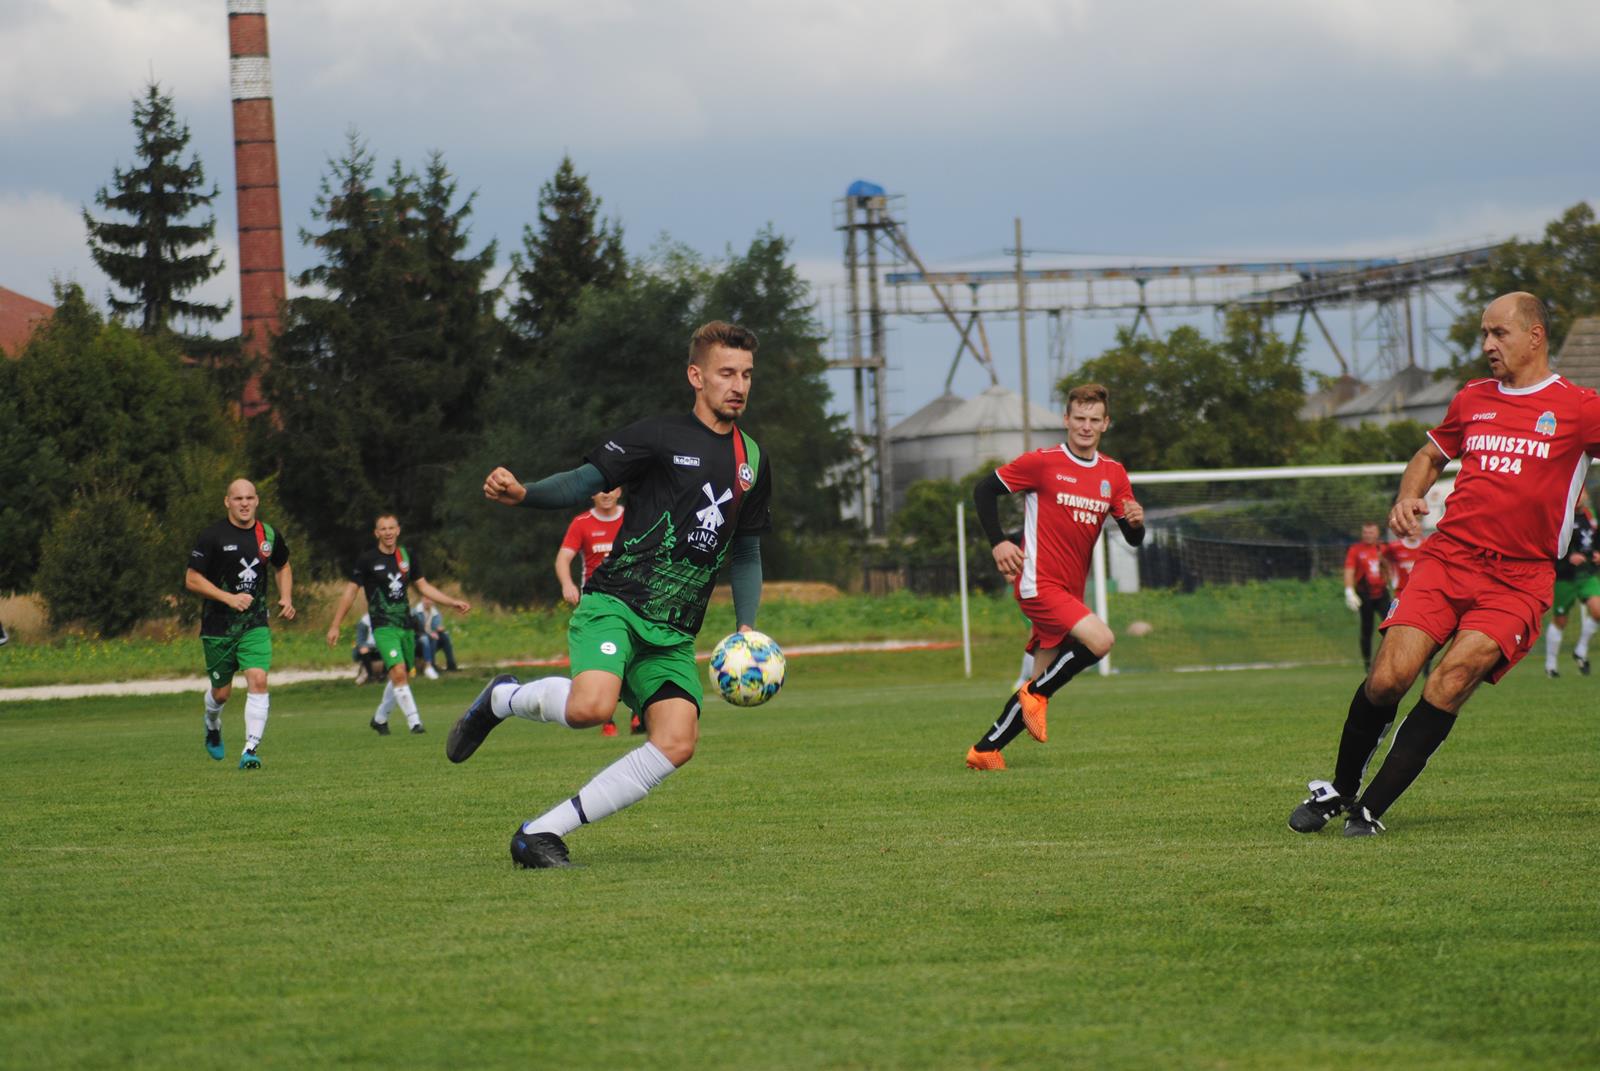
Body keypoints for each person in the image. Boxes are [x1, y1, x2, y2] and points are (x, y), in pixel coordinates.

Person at [445, 320, 773, 869]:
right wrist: (525, 494)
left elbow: (746, 550)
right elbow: (583, 480)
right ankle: (502, 699)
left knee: (677, 741)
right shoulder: (658, 436)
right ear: (697, 376)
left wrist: (746, 626)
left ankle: (540, 833)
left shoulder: (754, 461)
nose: (737, 384)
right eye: (725, 373)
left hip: (672, 633)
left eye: (746, 374)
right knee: (590, 707)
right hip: (617, 604)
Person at [1289, 292, 1600, 838]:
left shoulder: (1579, 408)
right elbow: (1431, 455)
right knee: (1388, 679)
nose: (1487, 345)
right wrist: (1408, 497)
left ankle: (1369, 811)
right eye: (1483, 334)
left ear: (1535, 336)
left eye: (1498, 334)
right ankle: (1339, 788)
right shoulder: (1473, 398)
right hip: (1448, 560)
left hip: (1520, 579)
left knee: (1451, 680)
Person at [964, 382, 1145, 770]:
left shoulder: (1113, 474)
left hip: (1069, 590)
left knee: (1040, 681)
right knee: (1101, 639)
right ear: (1066, 419)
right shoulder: (1043, 462)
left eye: (1094, 419)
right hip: (1036, 582)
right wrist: (999, 542)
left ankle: (985, 750)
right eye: (1079, 418)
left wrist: (1135, 524)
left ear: (1105, 424)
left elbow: (1133, 538)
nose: (1085, 425)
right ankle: (1034, 696)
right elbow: (983, 490)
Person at [183, 478, 295, 769]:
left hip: (255, 623)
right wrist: (228, 598)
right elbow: (192, 579)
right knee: (221, 693)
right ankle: (212, 723)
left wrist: (286, 597)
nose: (244, 503)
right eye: (238, 499)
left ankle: (250, 749)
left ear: (257, 500)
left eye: (249, 498)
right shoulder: (213, 536)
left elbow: (282, 565)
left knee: (258, 678)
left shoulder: (268, 535)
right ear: (227, 502)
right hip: (218, 626)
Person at [325, 514, 471, 736]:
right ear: (376, 533)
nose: (388, 532)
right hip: (383, 626)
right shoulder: (367, 560)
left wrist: (452, 603)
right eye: (383, 529)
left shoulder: (407, 556)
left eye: (392, 528)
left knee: (401, 675)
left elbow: (424, 587)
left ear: (398, 530)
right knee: (399, 671)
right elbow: (350, 593)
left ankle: (380, 718)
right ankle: (415, 723)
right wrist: (335, 625)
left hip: (405, 625)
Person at [554, 487, 632, 736]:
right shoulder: (582, 523)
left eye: (611, 488)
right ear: (591, 494)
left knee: (634, 657)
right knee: (603, 659)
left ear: (620, 491)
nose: (606, 494)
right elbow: (563, 558)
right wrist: (567, 584)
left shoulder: (633, 517)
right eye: (600, 490)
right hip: (597, 604)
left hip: (632, 600)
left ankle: (638, 715)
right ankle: (607, 718)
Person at [1543, 489, 1600, 677]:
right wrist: (1569, 556)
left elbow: (1594, 541)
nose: (1580, 496)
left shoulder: (1591, 515)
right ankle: (1551, 665)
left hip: (1586, 574)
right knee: (1561, 619)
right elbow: (1552, 544)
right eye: (1578, 492)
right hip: (1565, 576)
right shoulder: (1562, 515)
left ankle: (1581, 651)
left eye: (1583, 492)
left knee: (1598, 611)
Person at [1343, 521, 1391, 670]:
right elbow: (1349, 570)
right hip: (1365, 594)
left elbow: (1390, 568)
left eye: (1371, 532)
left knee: (1390, 627)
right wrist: (1349, 591)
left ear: (1377, 533)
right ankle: (1367, 664)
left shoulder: (1384, 548)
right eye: (1365, 532)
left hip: (1382, 593)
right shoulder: (1356, 550)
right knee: (1367, 629)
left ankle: (1389, 659)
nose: (1368, 535)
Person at [411, 597, 459, 675]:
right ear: (422, 599)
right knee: (432, 637)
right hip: (418, 641)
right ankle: (431, 665)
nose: (428, 602)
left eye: (430, 599)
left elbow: (436, 627)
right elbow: (415, 630)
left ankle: (451, 665)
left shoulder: (435, 613)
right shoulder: (415, 612)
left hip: (431, 638)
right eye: (426, 599)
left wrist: (439, 629)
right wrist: (430, 633)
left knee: (444, 636)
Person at [352, 613, 385, 684]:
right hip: (368, 648)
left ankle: (383, 675)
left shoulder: (388, 620)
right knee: (363, 649)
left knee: (390, 649)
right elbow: (360, 642)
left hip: (381, 647)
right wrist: (371, 647)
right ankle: (370, 676)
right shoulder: (364, 622)